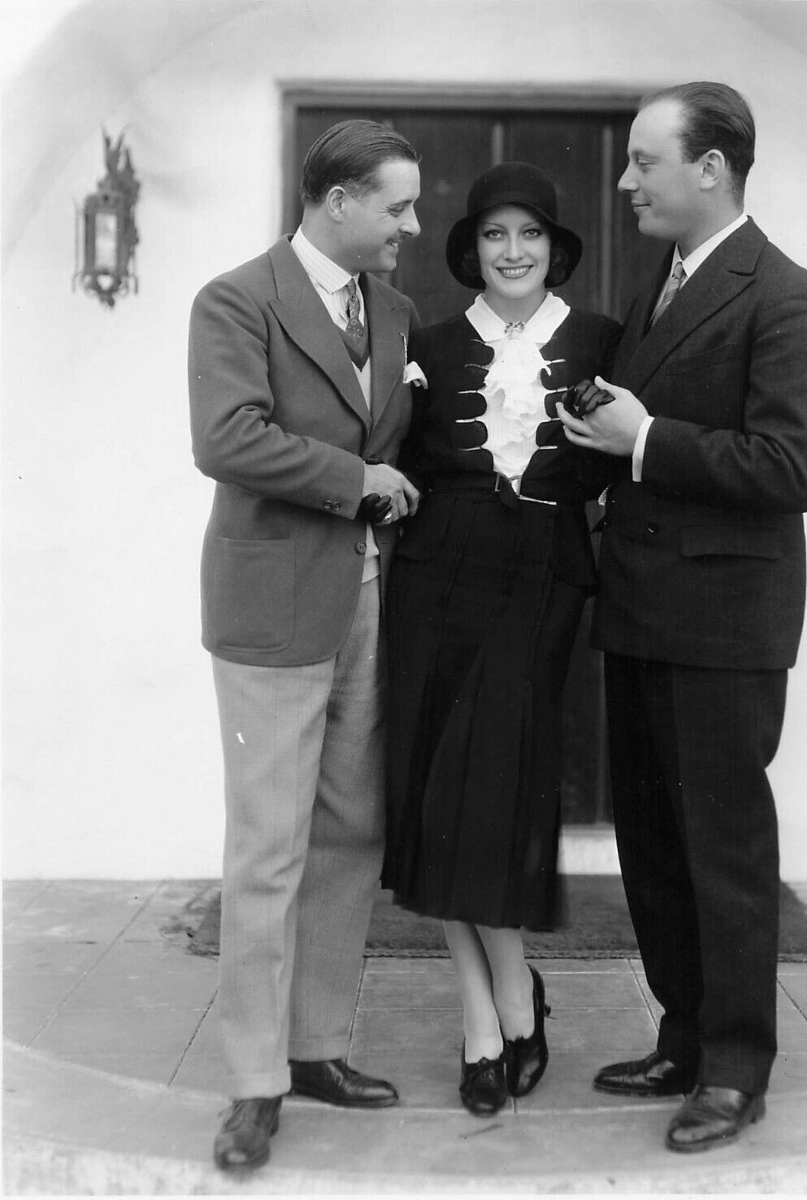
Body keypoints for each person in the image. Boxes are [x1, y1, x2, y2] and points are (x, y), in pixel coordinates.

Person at [558, 83, 807, 1153]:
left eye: (644, 161)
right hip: (641, 610)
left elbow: (793, 467)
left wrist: (641, 439)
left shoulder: (785, 296)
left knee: (720, 847)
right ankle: (683, 1034)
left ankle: (736, 1068)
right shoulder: (662, 288)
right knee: (656, 844)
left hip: (724, 626)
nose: (626, 181)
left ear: (712, 168)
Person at [188, 119, 423, 1172]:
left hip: (371, 594)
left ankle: (319, 1044)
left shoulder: (399, 312)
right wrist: (354, 480)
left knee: (350, 827)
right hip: (275, 604)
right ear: (336, 201)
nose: (412, 226)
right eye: (398, 206)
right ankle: (253, 1085)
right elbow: (226, 436)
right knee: (269, 844)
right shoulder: (237, 299)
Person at [382, 162, 621, 1117]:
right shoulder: (428, 345)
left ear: (555, 249)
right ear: (471, 248)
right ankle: (489, 1016)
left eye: (529, 235)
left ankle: (514, 997)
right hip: (435, 582)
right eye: (493, 235)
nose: (511, 252)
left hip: (542, 585)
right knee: (435, 794)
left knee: (493, 795)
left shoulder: (604, 342)